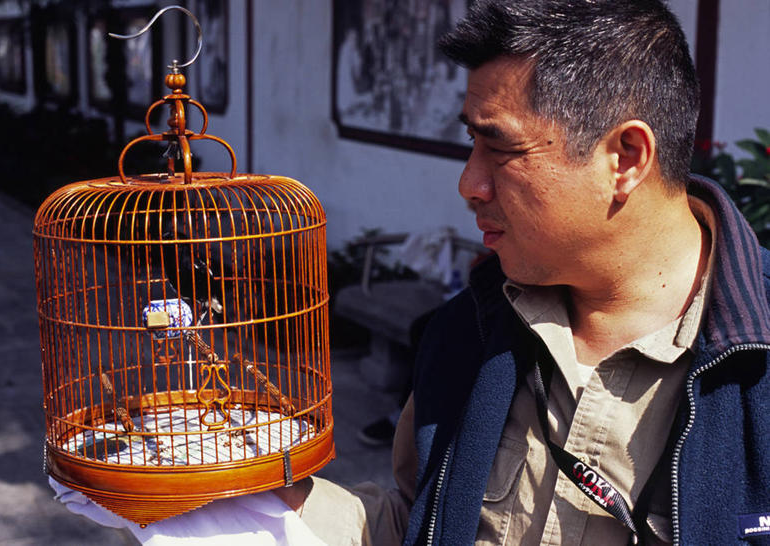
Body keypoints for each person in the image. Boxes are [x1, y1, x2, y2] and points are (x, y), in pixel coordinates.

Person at [275, 1, 770, 544]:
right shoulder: (469, 329)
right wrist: (266, 510)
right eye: (472, 144)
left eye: (501, 148)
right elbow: (422, 517)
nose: (470, 184)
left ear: (626, 157)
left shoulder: (754, 366)